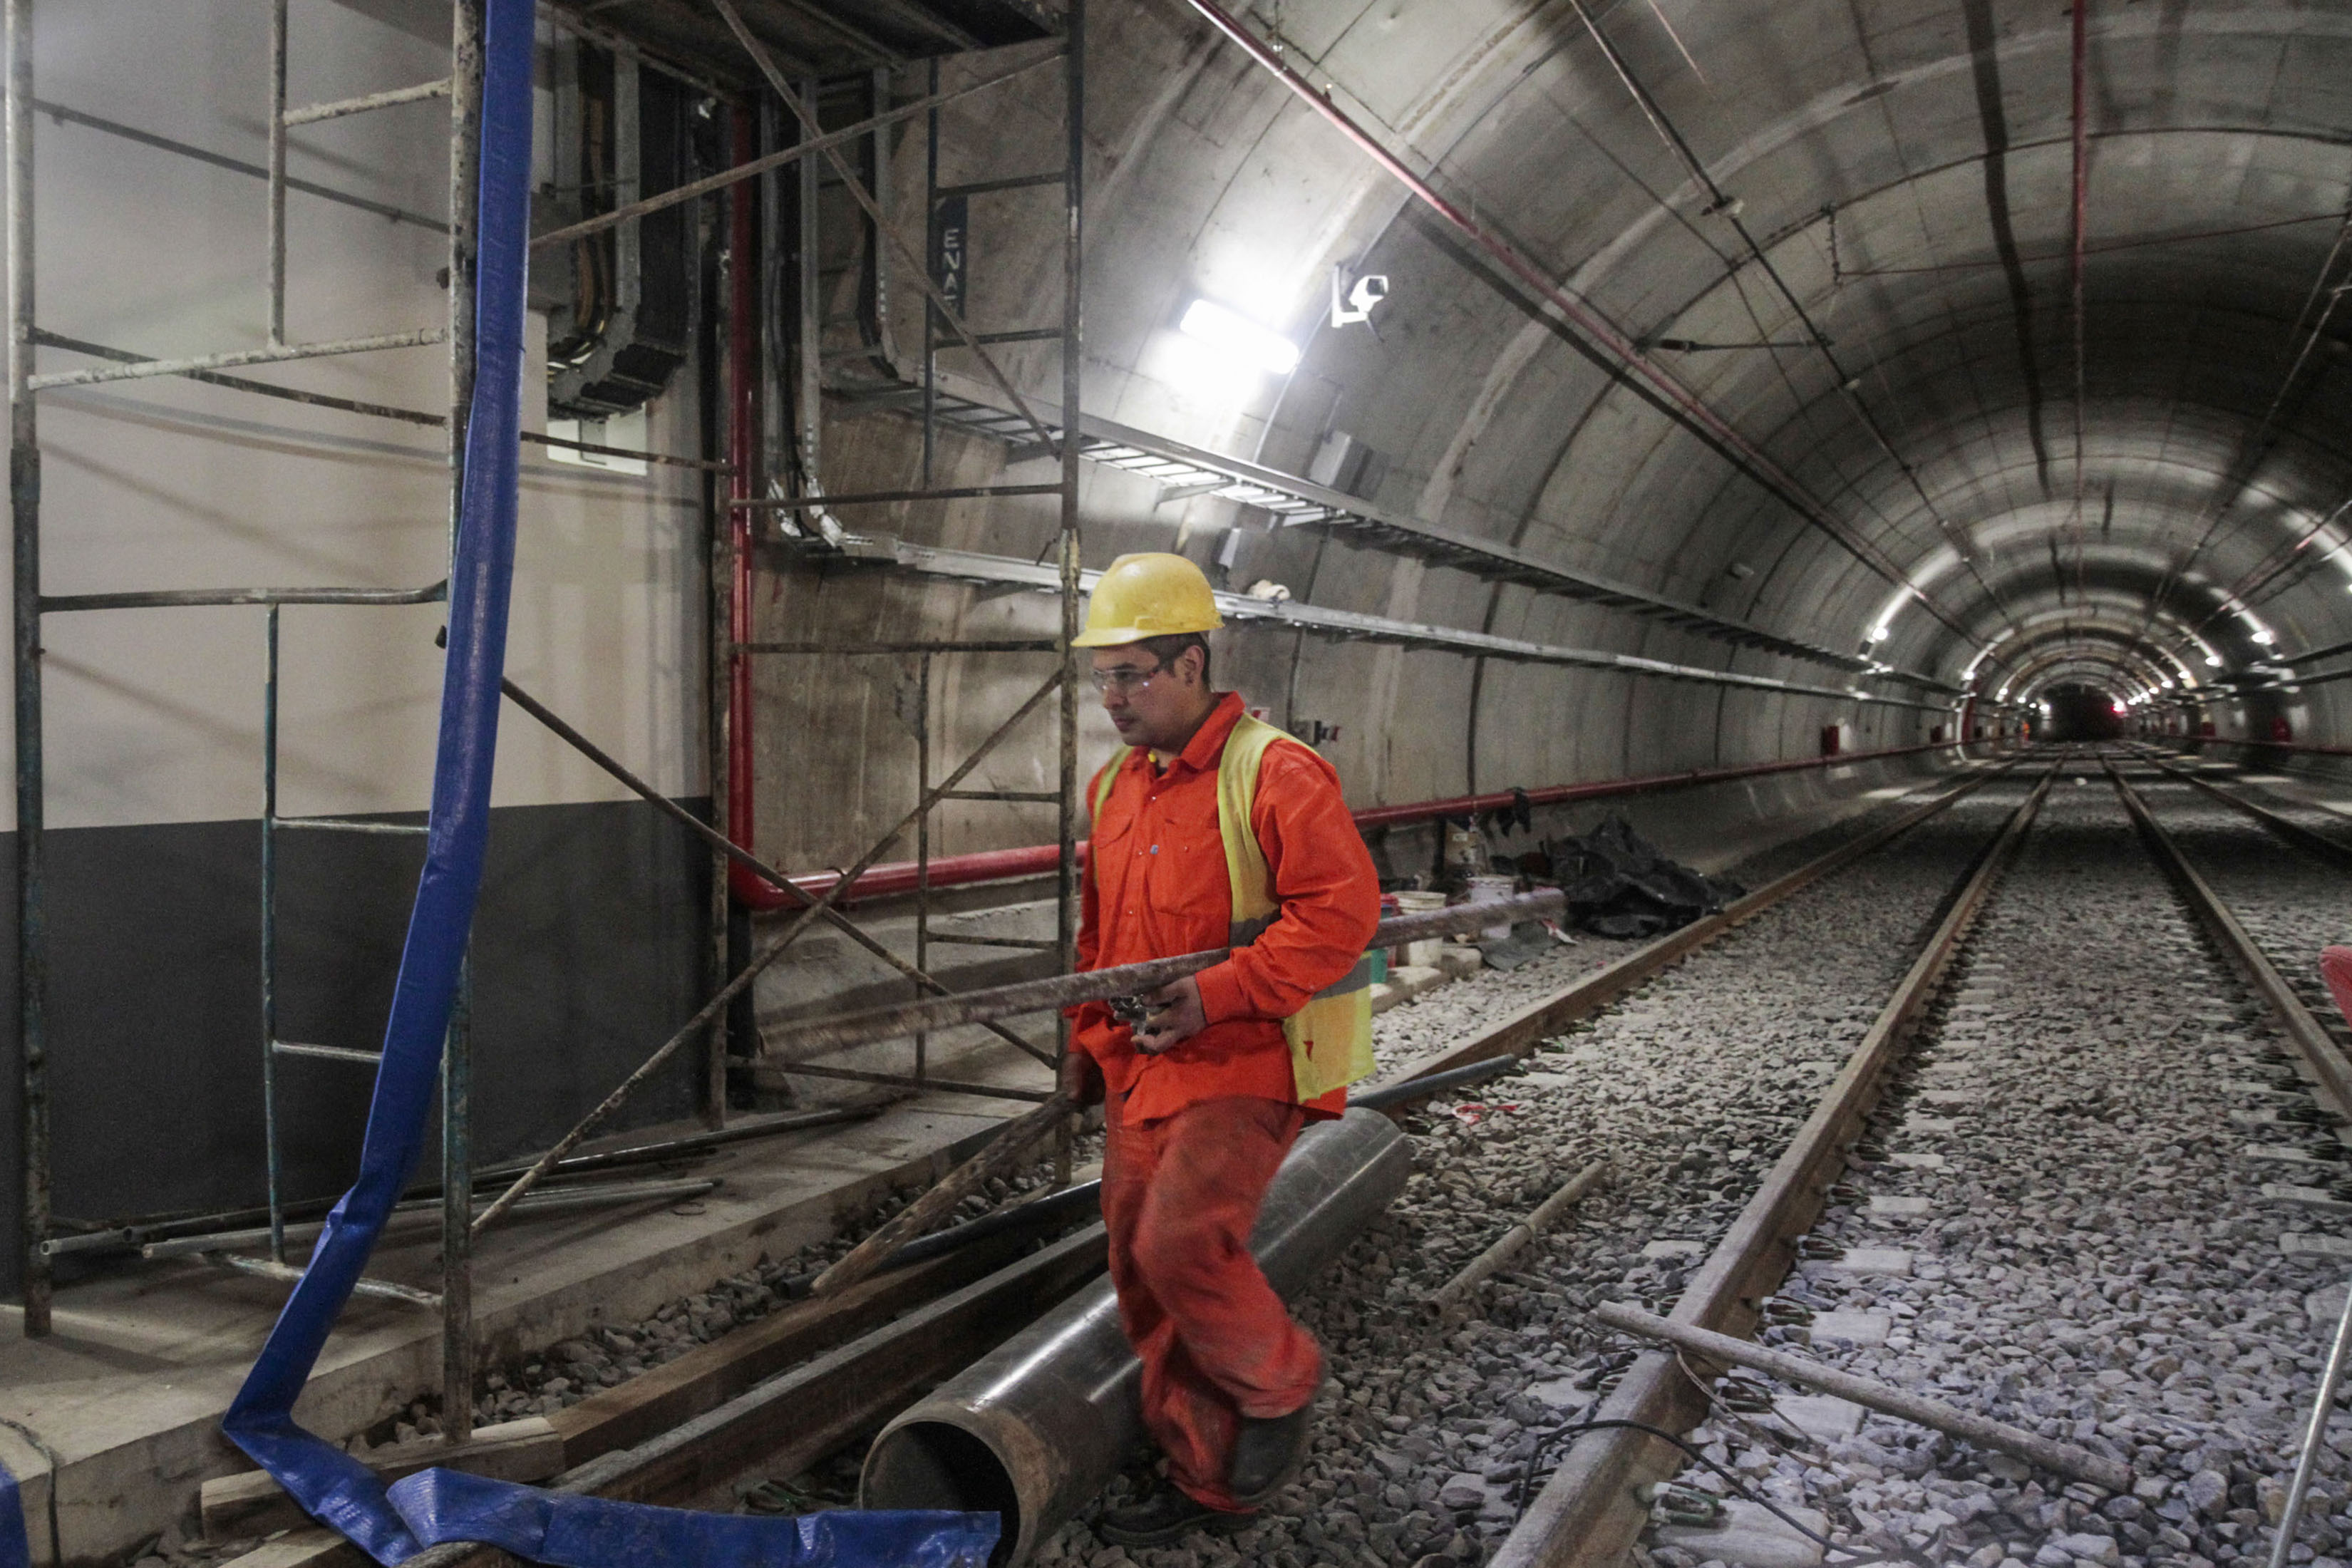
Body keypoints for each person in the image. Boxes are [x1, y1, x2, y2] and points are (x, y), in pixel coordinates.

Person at [1060, 552, 1383, 1547]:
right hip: (1145, 1065)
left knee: (1179, 1242)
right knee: (1136, 1262)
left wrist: (1216, 995)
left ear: (1193, 662)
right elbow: (1100, 937)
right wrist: (1085, 1044)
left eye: (1134, 674)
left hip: (1252, 1058)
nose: (1113, 698)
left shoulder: (1275, 771)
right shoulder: (1115, 787)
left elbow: (1342, 916)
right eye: (1102, 677)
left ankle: (1280, 1383)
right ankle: (1204, 1474)